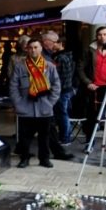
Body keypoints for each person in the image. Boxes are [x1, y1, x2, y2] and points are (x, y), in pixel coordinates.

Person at [10, 38, 61, 168]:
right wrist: (18, 103)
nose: (33, 50)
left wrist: (50, 102)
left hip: (44, 107)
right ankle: (24, 158)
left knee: (44, 136)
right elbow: (13, 87)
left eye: (36, 47)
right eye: (31, 47)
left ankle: (44, 159)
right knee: (24, 137)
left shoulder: (49, 66)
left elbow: (56, 85)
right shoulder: (20, 66)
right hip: (25, 107)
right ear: (27, 49)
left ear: (41, 48)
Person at [78, 26, 106, 151]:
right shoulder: (90, 50)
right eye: (100, 34)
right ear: (97, 36)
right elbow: (80, 68)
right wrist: (88, 82)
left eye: (105, 34)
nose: (102, 37)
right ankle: (90, 141)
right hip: (95, 87)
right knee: (92, 116)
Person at [38, 32, 75, 161]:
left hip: (51, 94)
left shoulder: (54, 55)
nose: (54, 45)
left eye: (55, 42)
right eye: (52, 42)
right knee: (45, 124)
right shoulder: (44, 55)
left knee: (50, 124)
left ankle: (55, 152)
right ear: (45, 41)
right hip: (44, 94)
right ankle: (26, 151)